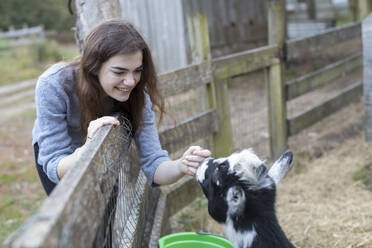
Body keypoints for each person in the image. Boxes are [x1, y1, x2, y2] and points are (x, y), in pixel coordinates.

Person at [32, 19, 211, 196]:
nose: (131, 81)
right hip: (61, 158)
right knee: (73, 219)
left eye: (137, 70)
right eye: (119, 72)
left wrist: (181, 165)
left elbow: (154, 164)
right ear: (94, 67)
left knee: (106, 213)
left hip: (104, 152)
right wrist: (88, 150)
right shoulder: (54, 85)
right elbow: (54, 164)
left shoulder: (138, 95)